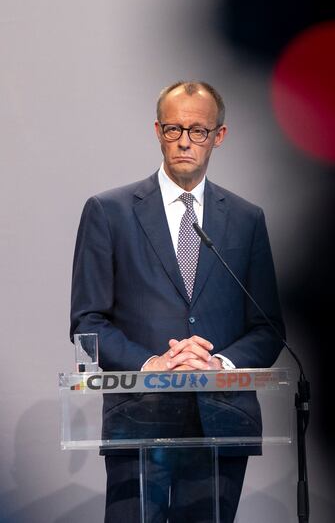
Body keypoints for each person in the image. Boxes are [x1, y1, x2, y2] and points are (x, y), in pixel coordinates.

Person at [70, 81, 285, 522]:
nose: (185, 140)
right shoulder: (109, 212)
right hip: (140, 418)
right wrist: (153, 364)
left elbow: (268, 326)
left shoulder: (246, 220)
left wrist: (217, 365)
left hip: (222, 419)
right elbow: (87, 321)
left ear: (218, 136)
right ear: (157, 131)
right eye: (174, 129)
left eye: (198, 130)